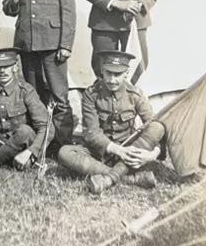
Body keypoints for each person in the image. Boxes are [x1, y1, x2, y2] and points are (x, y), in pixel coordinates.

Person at [2, 0, 76, 146]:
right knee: (34, 97)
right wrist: (13, 0)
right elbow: (8, 9)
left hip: (53, 44)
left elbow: (68, 10)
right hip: (27, 43)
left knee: (59, 96)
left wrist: (65, 44)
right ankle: (41, 142)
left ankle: (63, 145)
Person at [57, 51, 166, 194]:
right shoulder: (91, 95)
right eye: (108, 73)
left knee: (158, 126)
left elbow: (155, 128)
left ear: (126, 74)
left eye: (117, 75)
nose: (112, 80)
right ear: (102, 70)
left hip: (129, 151)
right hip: (100, 153)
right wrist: (119, 151)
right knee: (64, 153)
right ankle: (130, 179)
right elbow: (92, 133)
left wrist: (151, 156)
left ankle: (108, 178)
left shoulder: (135, 95)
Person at [0, 48, 54, 169]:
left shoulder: (26, 91)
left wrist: (30, 151)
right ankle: (10, 161)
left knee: (25, 131)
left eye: (7, 66)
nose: (2, 71)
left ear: (15, 67)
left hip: (20, 143)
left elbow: (47, 127)